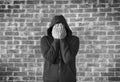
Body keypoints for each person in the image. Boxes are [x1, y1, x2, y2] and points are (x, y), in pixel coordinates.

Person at [40, 15, 79, 82]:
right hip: (49, 79)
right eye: (56, 27)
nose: (59, 29)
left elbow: (67, 59)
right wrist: (56, 40)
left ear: (65, 27)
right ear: (52, 28)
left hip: (69, 79)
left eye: (61, 27)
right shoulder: (45, 40)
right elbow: (50, 59)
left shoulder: (74, 40)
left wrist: (62, 39)